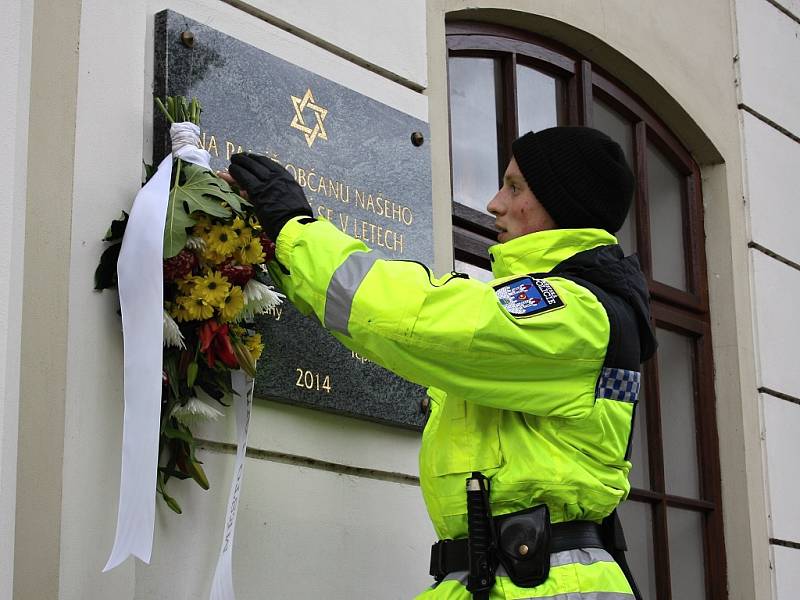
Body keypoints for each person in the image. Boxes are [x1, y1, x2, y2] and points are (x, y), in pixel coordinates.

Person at [224, 126, 656, 600]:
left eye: (515, 188)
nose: (494, 203)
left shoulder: (577, 314)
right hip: (497, 577)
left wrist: (294, 232)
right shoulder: (571, 311)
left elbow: (414, 320)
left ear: (563, 205)